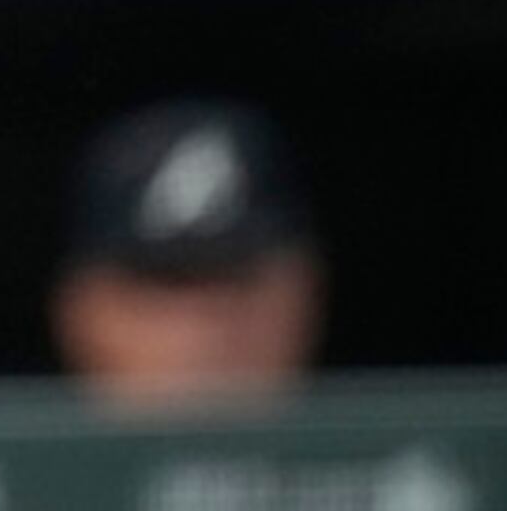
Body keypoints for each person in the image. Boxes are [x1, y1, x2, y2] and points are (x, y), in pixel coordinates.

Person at [53, 100, 323, 410]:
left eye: (236, 279)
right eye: (165, 282)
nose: (204, 331)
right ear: (78, 313)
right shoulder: (15, 457)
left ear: (307, 293)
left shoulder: (378, 450)